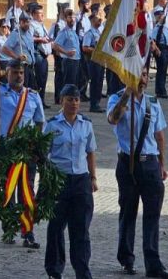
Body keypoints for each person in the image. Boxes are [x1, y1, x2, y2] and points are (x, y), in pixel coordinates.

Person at [106, 73, 168, 279]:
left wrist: (162, 164)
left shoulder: (153, 101)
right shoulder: (116, 98)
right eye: (138, 76)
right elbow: (113, 118)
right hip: (128, 163)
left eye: (145, 75)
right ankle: (126, 259)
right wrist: (127, 94)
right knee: (128, 212)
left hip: (150, 162)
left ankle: (153, 264)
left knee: (152, 215)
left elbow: (159, 135)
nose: (143, 79)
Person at [0, 58, 45, 249]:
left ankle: (28, 231)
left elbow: (39, 123)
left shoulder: (33, 96)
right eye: (14, 72)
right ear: (7, 73)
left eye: (21, 72)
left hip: (27, 152)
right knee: (8, 190)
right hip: (6, 150)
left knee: (27, 190)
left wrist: (37, 146)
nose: (19, 76)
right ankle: (9, 228)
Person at [43, 84, 98, 279]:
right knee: (56, 227)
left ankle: (82, 271)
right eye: (69, 99)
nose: (73, 103)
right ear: (61, 101)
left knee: (81, 229)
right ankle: (54, 270)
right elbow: (43, 153)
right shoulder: (51, 125)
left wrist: (93, 177)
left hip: (81, 181)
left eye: (76, 100)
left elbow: (90, 152)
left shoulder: (86, 124)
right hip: (60, 180)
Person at [52, 9, 82, 102]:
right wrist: (66, 52)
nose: (72, 19)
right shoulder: (64, 32)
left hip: (76, 60)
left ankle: (71, 101)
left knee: (74, 84)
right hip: (69, 61)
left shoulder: (73, 32)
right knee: (68, 84)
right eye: (69, 17)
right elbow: (55, 45)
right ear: (65, 19)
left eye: (73, 17)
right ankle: (65, 102)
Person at [28, 2, 53, 104]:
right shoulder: (32, 25)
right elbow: (29, 38)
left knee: (43, 79)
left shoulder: (41, 25)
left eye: (43, 13)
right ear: (33, 15)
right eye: (39, 13)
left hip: (44, 55)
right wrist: (40, 39)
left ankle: (41, 100)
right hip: (37, 54)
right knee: (38, 79)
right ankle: (37, 101)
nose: (42, 15)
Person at [81, 14, 105, 112]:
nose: (100, 21)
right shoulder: (89, 33)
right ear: (92, 21)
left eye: (100, 20)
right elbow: (85, 47)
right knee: (94, 83)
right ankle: (93, 104)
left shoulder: (99, 33)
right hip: (93, 61)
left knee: (99, 82)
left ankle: (97, 103)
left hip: (100, 61)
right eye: (97, 20)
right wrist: (96, 51)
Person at [151, 0, 168, 99]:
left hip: (166, 49)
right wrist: (157, 49)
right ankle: (160, 91)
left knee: (164, 71)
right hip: (160, 49)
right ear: (158, 17)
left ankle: (162, 90)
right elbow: (152, 40)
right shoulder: (156, 29)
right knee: (161, 70)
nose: (163, 18)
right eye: (161, 17)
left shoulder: (165, 29)